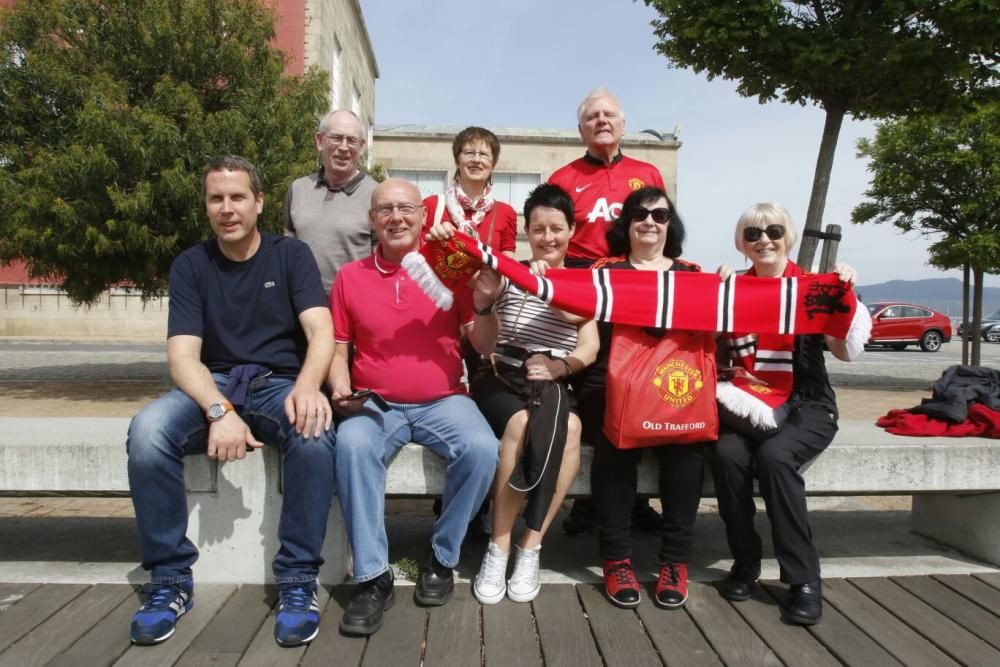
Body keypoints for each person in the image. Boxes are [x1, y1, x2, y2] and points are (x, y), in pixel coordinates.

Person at [126, 156, 336, 647]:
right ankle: (170, 582)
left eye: (237, 196)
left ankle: (297, 581)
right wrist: (220, 411)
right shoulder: (191, 265)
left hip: (279, 383)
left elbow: (320, 331)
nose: (227, 208)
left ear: (259, 202)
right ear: (206, 206)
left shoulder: (291, 256)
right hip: (212, 384)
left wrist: (308, 386)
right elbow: (182, 359)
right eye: (216, 198)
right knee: (148, 433)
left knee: (315, 434)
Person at [330, 178, 499, 636]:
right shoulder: (350, 278)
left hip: (444, 400)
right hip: (376, 404)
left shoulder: (450, 270)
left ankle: (442, 557)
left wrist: (484, 306)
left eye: (406, 208)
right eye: (384, 209)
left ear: (424, 217)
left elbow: (483, 345)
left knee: (484, 449)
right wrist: (340, 386)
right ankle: (371, 577)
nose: (396, 217)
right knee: (351, 446)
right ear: (372, 220)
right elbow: (338, 346)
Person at [711, 202, 861, 625]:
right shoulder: (730, 290)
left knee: (775, 459)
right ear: (742, 243)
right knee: (727, 456)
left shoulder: (813, 287)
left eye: (773, 232)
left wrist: (843, 295)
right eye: (753, 234)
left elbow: (845, 351)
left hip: (807, 404)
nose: (764, 241)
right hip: (745, 403)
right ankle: (745, 562)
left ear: (788, 237)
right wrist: (714, 286)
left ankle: (804, 580)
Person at [460, 184, 599, 604]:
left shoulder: (582, 282)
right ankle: (497, 547)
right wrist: (485, 306)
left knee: (571, 429)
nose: (547, 237)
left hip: (552, 381)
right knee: (521, 424)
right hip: (501, 378)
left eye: (557, 228)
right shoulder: (508, 275)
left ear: (572, 230)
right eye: (538, 229)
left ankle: (530, 546)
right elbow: (484, 347)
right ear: (526, 232)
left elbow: (588, 347)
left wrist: (561, 364)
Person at [580, 186, 708, 610]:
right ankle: (617, 559)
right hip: (611, 382)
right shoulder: (604, 271)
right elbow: (567, 304)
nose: (649, 221)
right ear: (626, 224)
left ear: (671, 225)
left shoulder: (693, 274)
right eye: (639, 214)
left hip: (673, 383)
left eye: (659, 215)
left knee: (688, 450)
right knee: (613, 448)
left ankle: (675, 562)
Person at [550, 88, 666, 535]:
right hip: (586, 289)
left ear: (623, 123)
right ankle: (587, 500)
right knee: (593, 393)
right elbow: (556, 237)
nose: (601, 120)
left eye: (609, 114)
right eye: (592, 116)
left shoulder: (646, 171)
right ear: (581, 128)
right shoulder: (564, 177)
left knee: (638, 388)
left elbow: (661, 232)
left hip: (635, 287)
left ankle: (637, 499)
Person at [284, 109, 377, 294]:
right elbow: (288, 251)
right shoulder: (298, 189)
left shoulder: (377, 195)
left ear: (361, 146)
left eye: (351, 140)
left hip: (353, 305)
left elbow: (381, 262)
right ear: (319, 141)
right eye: (336, 138)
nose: (343, 147)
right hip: (302, 304)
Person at [423, 126, 518, 258]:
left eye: (484, 154)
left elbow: (508, 268)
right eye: (469, 153)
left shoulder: (505, 213)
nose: (477, 160)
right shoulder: (432, 205)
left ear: (493, 164)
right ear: (457, 161)